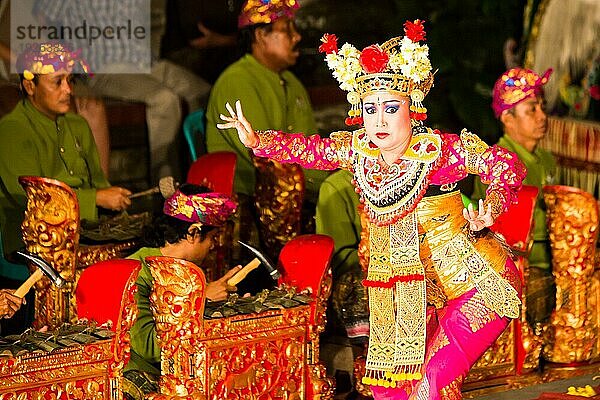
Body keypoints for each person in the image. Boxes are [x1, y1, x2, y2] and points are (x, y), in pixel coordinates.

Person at [218, 20, 526, 399]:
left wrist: (490, 209)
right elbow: (311, 151)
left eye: (390, 107)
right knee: (389, 392)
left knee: (430, 388)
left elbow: (506, 166)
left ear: (411, 109)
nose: (379, 120)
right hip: (414, 297)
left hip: (479, 285)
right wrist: (257, 140)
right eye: (370, 108)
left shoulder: (437, 151)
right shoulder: (359, 150)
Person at [205, 0, 328, 260]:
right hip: (253, 192)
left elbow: (312, 144)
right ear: (261, 35)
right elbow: (263, 154)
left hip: (298, 182)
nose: (297, 36)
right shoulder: (237, 80)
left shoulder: (291, 81)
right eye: (287, 30)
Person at [0, 42, 132, 257]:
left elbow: (99, 183)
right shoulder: (12, 130)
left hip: (85, 229)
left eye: (69, 81)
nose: (68, 90)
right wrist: (95, 199)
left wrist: (113, 200)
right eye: (57, 82)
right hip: (35, 237)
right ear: (30, 87)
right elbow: (34, 201)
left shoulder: (77, 125)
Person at [123, 183, 241, 399]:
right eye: (212, 238)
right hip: (142, 373)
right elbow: (149, 347)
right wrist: (201, 299)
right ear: (193, 233)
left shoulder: (185, 270)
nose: (213, 246)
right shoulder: (137, 272)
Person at [473, 66, 556, 327]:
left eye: (542, 106)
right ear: (508, 118)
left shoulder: (546, 159)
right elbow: (506, 230)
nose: (541, 115)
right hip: (521, 265)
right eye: (531, 109)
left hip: (555, 257)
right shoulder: (497, 164)